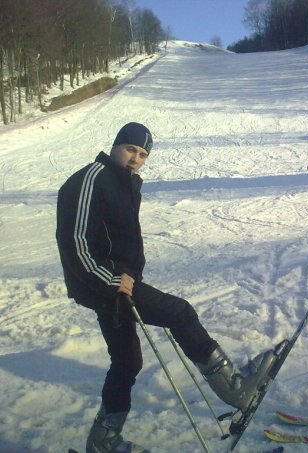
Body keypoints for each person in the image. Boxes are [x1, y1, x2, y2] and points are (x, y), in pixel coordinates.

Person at [56, 122, 279, 453]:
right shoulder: (92, 178)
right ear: (116, 146)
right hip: (106, 285)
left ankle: (104, 439)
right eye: (130, 149)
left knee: (127, 362)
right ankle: (235, 389)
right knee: (180, 313)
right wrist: (111, 279)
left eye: (143, 154)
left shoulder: (124, 183)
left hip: (117, 284)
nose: (136, 158)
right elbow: (74, 241)